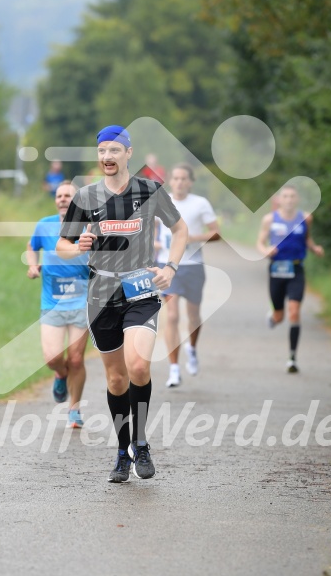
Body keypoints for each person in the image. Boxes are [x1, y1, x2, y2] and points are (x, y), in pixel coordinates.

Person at [56, 125, 188, 483]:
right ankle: (122, 450)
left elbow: (180, 230)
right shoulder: (85, 196)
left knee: (138, 367)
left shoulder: (149, 189)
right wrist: (78, 247)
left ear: (129, 153)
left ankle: (141, 443)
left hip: (140, 286)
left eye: (114, 150)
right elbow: (62, 245)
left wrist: (171, 267)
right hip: (101, 293)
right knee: (116, 379)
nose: (107, 157)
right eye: (102, 151)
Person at [26, 180, 90, 428]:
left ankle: (74, 409)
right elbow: (32, 247)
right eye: (60, 195)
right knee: (53, 357)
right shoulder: (45, 225)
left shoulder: (88, 226)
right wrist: (32, 265)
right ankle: (60, 375)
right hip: (52, 302)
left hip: (81, 301)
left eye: (68, 196)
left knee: (76, 359)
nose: (63, 198)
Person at [156, 163, 221, 387]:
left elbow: (216, 233)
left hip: (193, 265)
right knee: (172, 316)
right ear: (170, 181)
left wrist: (192, 238)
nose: (180, 182)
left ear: (190, 182)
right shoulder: (161, 201)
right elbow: (149, 230)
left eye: (184, 178)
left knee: (193, 316)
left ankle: (191, 348)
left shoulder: (200, 203)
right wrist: (153, 243)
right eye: (176, 178)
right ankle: (174, 368)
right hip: (168, 265)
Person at [256, 184, 324, 373]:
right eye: (285, 196)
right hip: (276, 270)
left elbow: (307, 239)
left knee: (294, 312)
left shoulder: (306, 218)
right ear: (279, 199)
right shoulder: (269, 219)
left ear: (297, 199)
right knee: (280, 316)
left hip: (296, 269)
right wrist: (265, 251)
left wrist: (315, 248)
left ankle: (292, 358)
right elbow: (260, 242)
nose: (289, 200)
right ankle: (274, 315)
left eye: (292, 196)